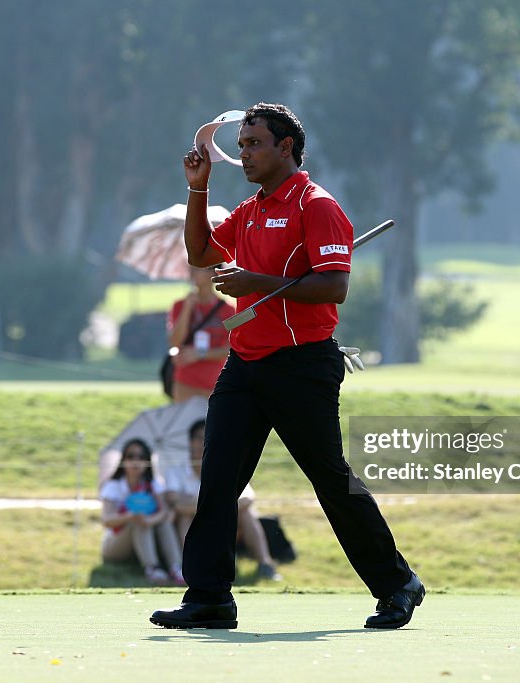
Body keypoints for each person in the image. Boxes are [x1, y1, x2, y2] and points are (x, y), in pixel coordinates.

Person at [151, 103, 423, 630]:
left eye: (254, 144)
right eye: (242, 144)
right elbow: (201, 253)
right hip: (245, 365)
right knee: (218, 480)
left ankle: (398, 584)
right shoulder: (250, 209)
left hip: (302, 366)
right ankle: (209, 598)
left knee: (330, 480)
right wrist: (198, 187)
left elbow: (333, 285)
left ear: (287, 147)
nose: (244, 153)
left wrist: (255, 282)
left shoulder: (316, 206)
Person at [164, 419, 282, 581]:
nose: (203, 442)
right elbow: (175, 503)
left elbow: (247, 498)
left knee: (246, 514)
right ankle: (195, 568)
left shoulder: (226, 467)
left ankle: (265, 564)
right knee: (185, 518)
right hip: (195, 526)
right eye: (199, 437)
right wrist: (219, 504)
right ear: (191, 442)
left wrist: (201, 505)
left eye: (208, 436)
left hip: (225, 522)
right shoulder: (175, 471)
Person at [100, 438, 184, 586]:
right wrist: (129, 516)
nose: (135, 461)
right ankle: (152, 568)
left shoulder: (153, 485)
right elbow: (107, 520)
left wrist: (150, 520)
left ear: (148, 462)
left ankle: (176, 567)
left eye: (141, 457)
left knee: (159, 523)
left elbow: (163, 512)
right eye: (130, 456)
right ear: (123, 460)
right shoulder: (113, 485)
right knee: (138, 523)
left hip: (145, 537)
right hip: (115, 545)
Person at [166, 266, 235, 402]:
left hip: (215, 383)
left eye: (199, 269)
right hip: (184, 383)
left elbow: (231, 349)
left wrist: (200, 354)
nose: (192, 272)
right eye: (191, 268)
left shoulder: (228, 310)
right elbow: (175, 341)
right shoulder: (180, 305)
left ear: (213, 273)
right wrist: (187, 308)